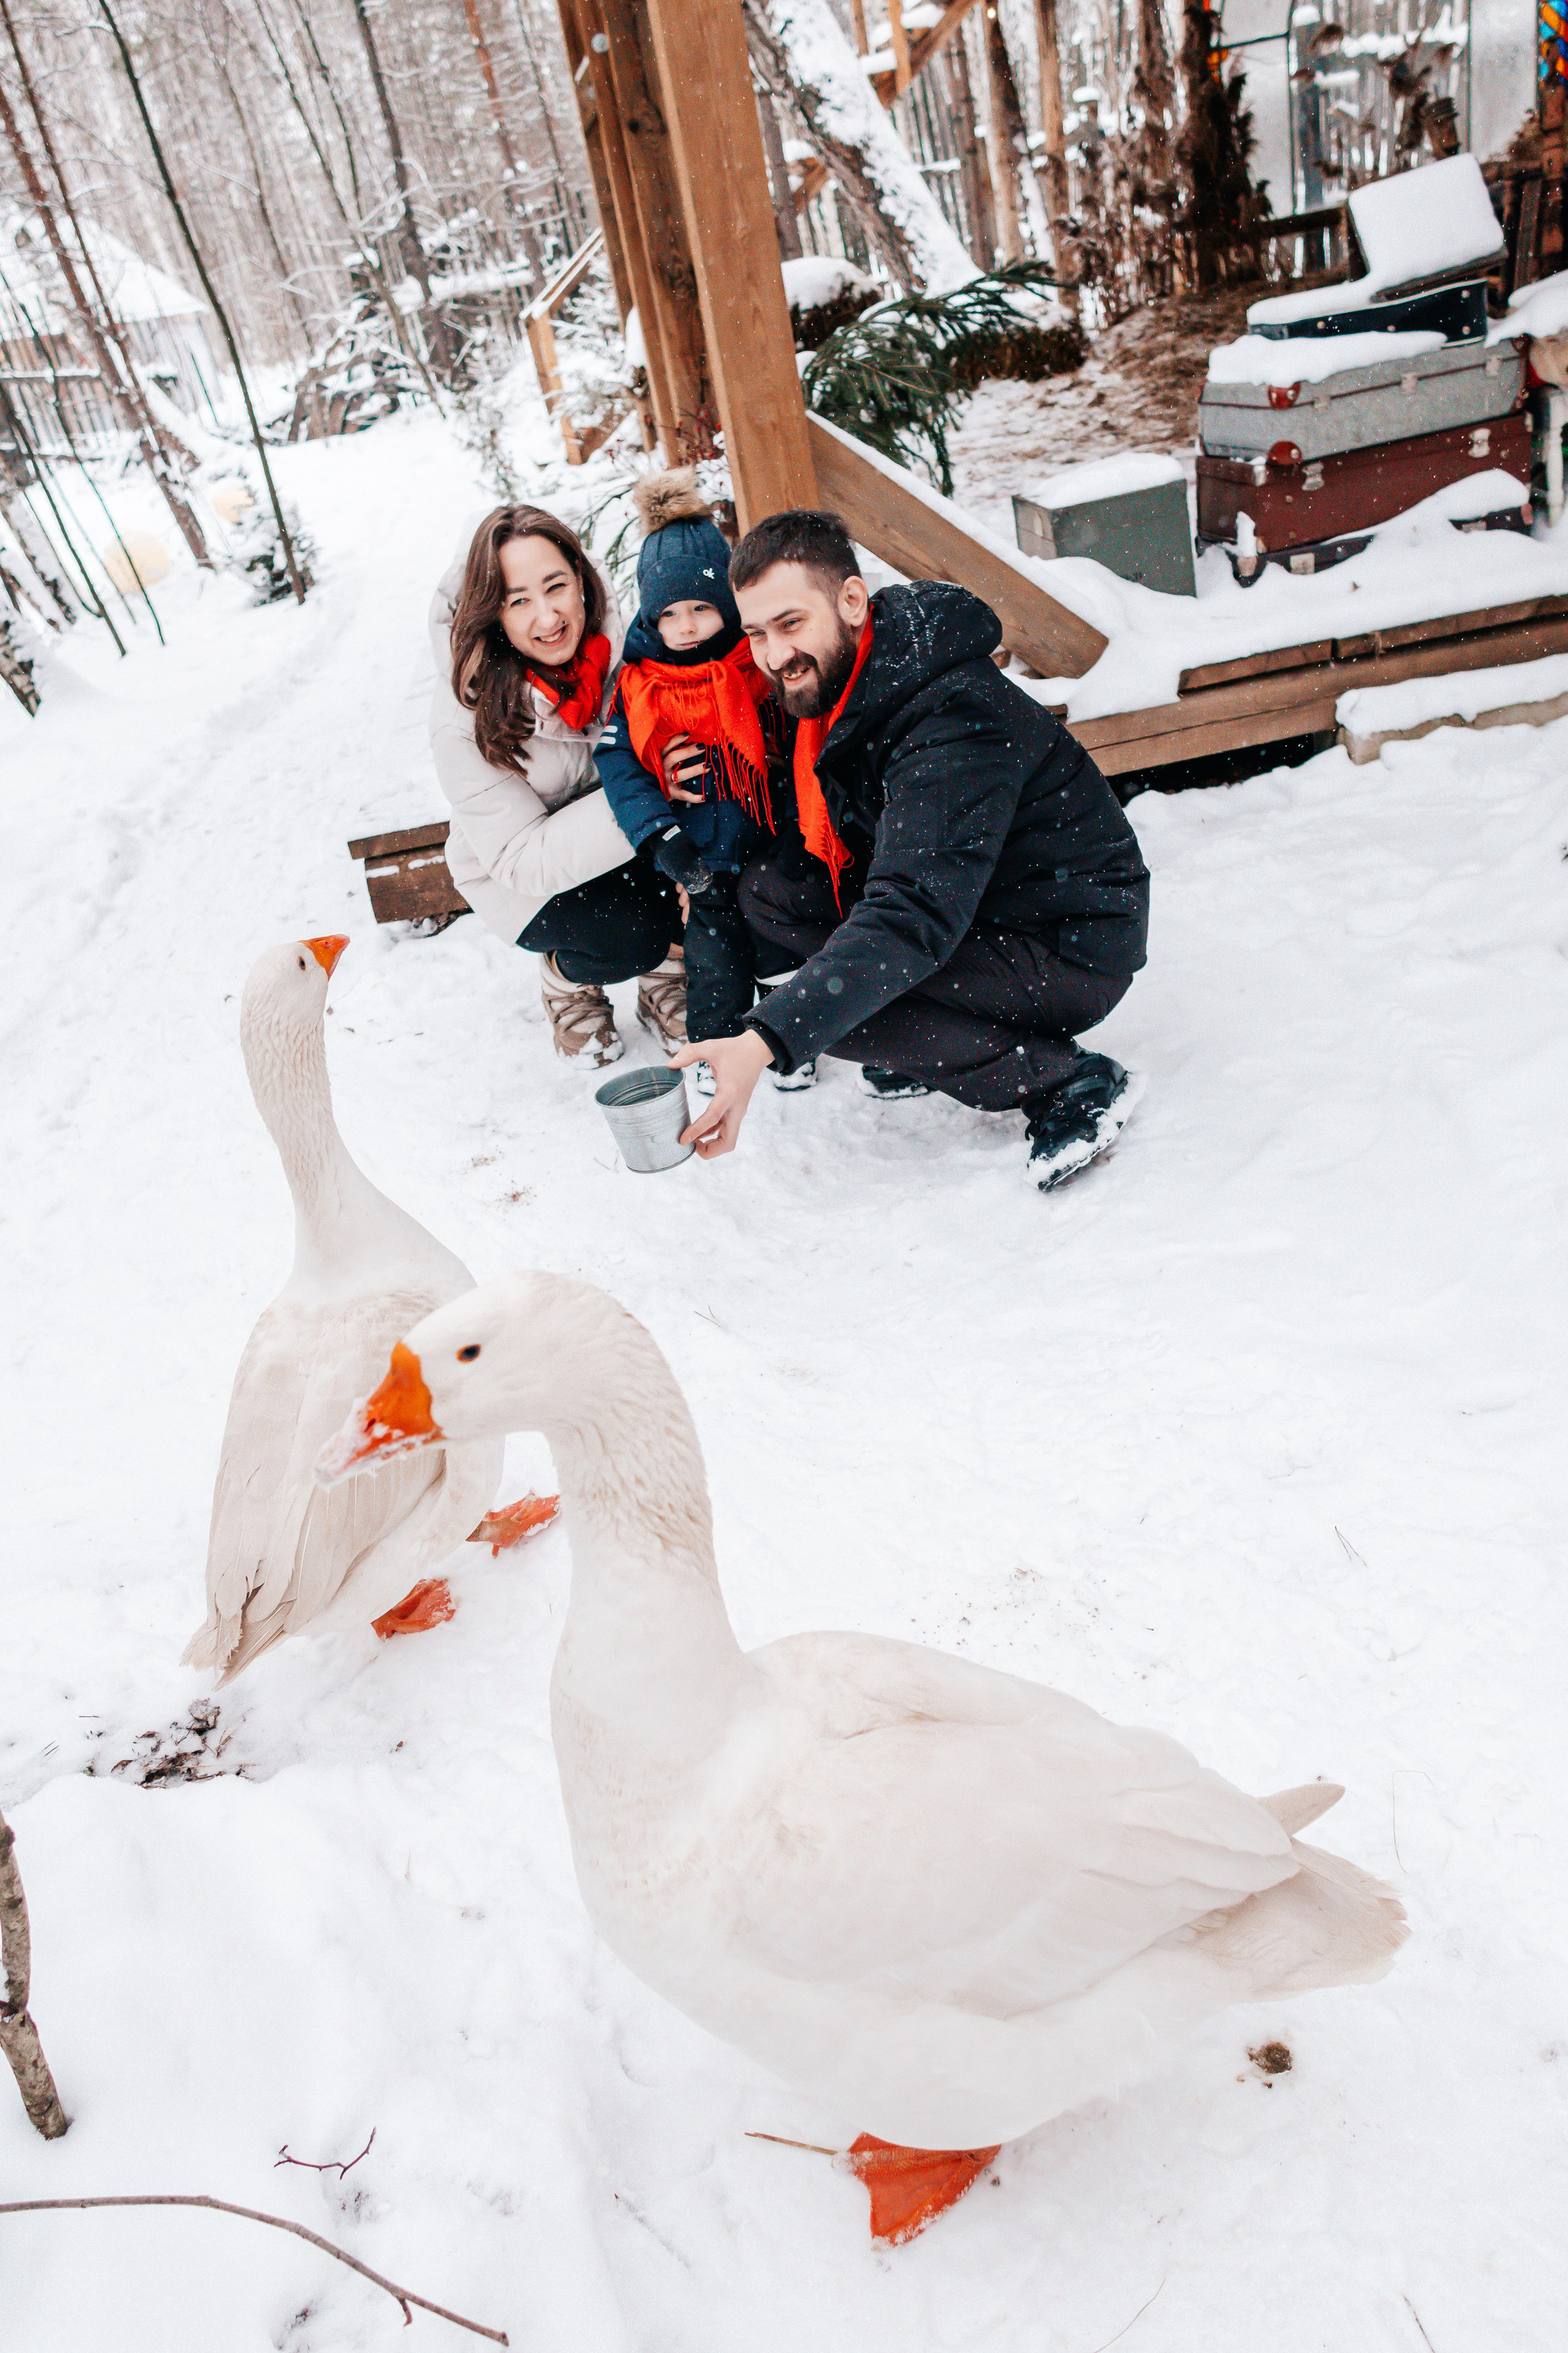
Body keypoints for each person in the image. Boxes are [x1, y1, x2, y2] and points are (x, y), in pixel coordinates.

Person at [670, 508, 1151, 1192]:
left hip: (1069, 944)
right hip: (985, 907)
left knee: (833, 1012)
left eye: (790, 624)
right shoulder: (860, 676)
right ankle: (934, 1042)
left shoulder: (951, 712)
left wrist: (763, 1041)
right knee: (770, 893)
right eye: (755, 633)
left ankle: (1067, 1082)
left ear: (851, 600)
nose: (774, 656)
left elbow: (913, 913)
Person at [431, 504, 686, 1067]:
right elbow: (521, 858)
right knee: (630, 932)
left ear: (583, 583)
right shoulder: (463, 717)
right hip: (521, 878)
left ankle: (667, 974)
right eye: (519, 600)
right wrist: (648, 794)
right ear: (491, 613)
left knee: (705, 865)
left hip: (623, 834)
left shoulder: (626, 654)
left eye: (556, 587)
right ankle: (566, 980)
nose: (548, 617)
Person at [593, 472, 799, 1089]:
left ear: (729, 606)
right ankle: (715, 1047)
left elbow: (795, 736)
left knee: (782, 946)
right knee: (714, 960)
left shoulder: (757, 665)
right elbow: (619, 765)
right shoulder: (638, 685)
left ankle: (790, 1040)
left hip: (769, 842)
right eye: (670, 613)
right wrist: (661, 836)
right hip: (698, 857)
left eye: (702, 609)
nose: (685, 627)